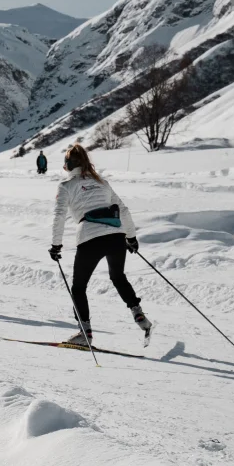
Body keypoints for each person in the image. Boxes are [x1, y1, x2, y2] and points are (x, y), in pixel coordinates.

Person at [48, 143, 151, 345]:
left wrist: (56, 245)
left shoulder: (66, 186)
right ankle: (138, 314)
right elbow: (124, 210)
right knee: (118, 277)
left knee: (78, 287)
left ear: (68, 164)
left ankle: (84, 334)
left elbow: (59, 215)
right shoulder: (102, 182)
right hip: (116, 236)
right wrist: (131, 238)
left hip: (89, 237)